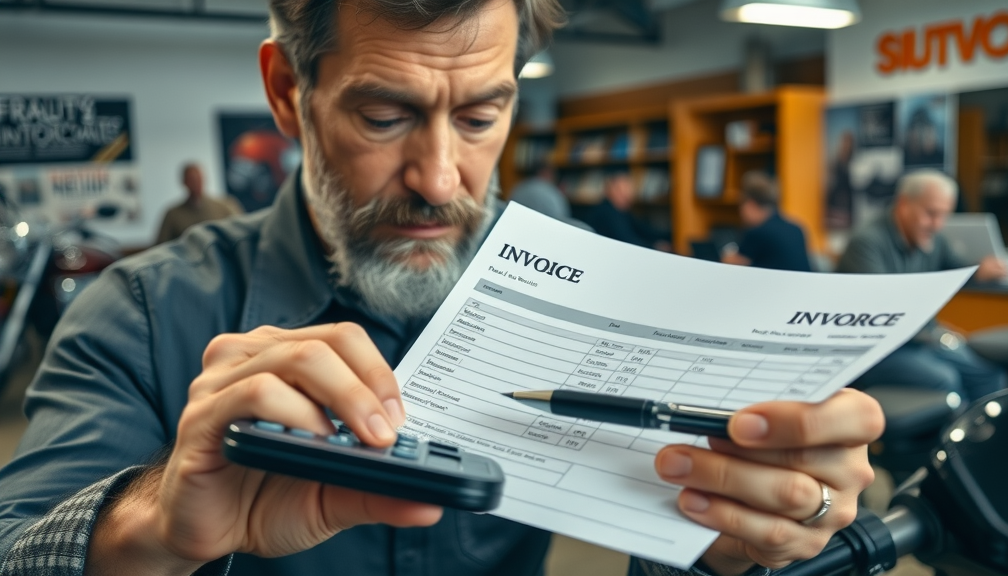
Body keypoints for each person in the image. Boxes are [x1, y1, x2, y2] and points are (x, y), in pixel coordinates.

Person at [0, 2, 883, 576]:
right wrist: (152, 523)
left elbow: (662, 532)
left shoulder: (593, 290)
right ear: (286, 92)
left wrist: (726, 539)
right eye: (384, 118)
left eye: (480, 117)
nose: (439, 178)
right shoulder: (142, 313)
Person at [837, 169, 1008, 402]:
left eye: (944, 215)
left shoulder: (932, 238)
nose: (937, 224)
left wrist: (980, 269)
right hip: (877, 349)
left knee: (988, 374)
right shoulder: (866, 243)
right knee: (945, 380)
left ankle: (986, 436)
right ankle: (952, 438)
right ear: (903, 204)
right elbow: (883, 307)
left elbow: (956, 269)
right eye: (931, 213)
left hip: (921, 340)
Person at [720, 172, 812, 272]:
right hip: (803, 286)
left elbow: (730, 262)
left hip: (776, 286)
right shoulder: (796, 228)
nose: (740, 212)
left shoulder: (758, 232)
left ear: (750, 204)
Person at [155, 163, 242, 244]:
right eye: (192, 179)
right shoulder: (173, 215)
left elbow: (241, 231)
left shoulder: (225, 206)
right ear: (184, 182)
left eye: (198, 179)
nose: (196, 183)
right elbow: (161, 245)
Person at [586, 172, 671, 251]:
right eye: (620, 190)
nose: (626, 195)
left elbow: (644, 230)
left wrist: (670, 236)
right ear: (609, 191)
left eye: (628, 190)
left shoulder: (623, 211)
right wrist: (655, 247)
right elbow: (628, 242)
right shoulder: (607, 212)